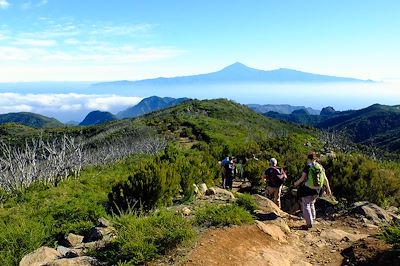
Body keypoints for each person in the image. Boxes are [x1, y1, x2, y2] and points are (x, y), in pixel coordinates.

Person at [294, 152, 332, 230]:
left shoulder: (308, 167)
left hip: (308, 189)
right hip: (318, 190)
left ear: (309, 159)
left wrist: (295, 183)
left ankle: (309, 223)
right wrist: (328, 189)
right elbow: (325, 179)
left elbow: (302, 178)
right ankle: (313, 218)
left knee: (306, 204)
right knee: (311, 203)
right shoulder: (320, 166)